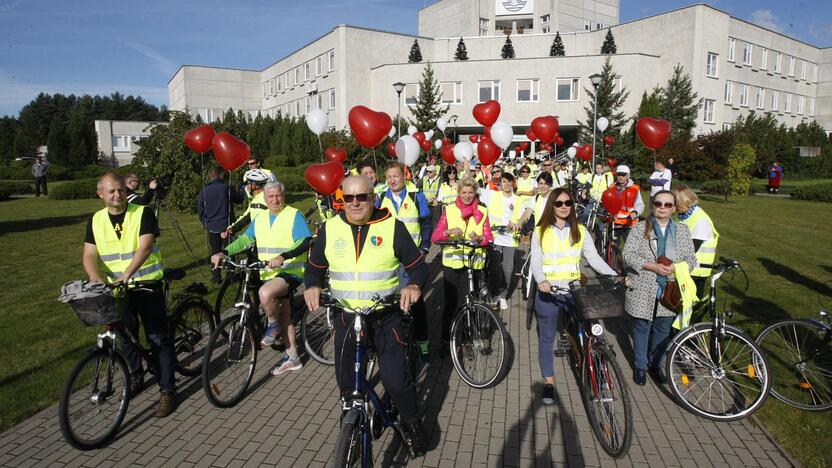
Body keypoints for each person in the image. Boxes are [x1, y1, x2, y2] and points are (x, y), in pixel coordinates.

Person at [303, 175, 429, 456]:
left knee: (396, 382)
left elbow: (419, 267)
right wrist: (312, 284)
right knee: (346, 384)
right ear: (341, 200)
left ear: (374, 197)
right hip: (347, 319)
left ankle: (413, 424)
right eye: (349, 198)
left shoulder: (392, 227)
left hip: (385, 319)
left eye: (362, 197)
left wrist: (414, 285)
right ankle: (351, 428)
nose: (356, 203)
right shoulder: (330, 228)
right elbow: (313, 267)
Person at [82, 173, 175, 417]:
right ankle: (136, 377)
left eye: (121, 190)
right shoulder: (96, 220)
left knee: (157, 339)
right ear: (100, 193)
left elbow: (145, 247)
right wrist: (95, 277)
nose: (117, 195)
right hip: (119, 289)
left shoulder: (142, 213)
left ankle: (167, 390)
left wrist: (127, 274)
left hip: (146, 283)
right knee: (124, 335)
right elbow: (89, 254)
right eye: (111, 191)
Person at [212, 181, 312, 376]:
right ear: (265, 199)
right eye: (270, 197)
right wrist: (224, 252)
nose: (275, 200)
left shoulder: (294, 215)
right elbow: (246, 239)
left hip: (290, 271)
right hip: (269, 273)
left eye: (278, 196)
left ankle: (271, 328)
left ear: (283, 196)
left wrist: (284, 256)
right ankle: (293, 358)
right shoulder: (261, 218)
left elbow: (305, 241)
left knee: (265, 293)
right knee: (284, 315)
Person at [530, 188, 618, 404]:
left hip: (574, 290)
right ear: (552, 205)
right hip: (549, 292)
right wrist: (541, 279)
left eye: (567, 203)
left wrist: (614, 276)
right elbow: (536, 261)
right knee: (547, 337)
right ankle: (549, 382)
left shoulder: (580, 230)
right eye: (558, 203)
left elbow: (594, 258)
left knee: (594, 330)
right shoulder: (540, 231)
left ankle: (599, 368)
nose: (563, 207)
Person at [622, 190, 697, 386]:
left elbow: (691, 259)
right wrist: (651, 266)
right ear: (652, 205)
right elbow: (628, 255)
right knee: (642, 327)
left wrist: (675, 267)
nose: (662, 208)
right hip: (643, 286)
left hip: (670, 289)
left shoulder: (682, 230)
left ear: (674, 208)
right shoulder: (640, 228)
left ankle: (656, 364)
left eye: (667, 205)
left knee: (663, 328)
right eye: (658, 204)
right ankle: (640, 366)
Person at [378, 161, 433, 361]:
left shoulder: (416, 196)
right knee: (392, 305)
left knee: (416, 304)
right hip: (389, 260)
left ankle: (423, 345)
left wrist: (425, 247)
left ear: (404, 176)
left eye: (396, 176)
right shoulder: (380, 199)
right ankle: (395, 344)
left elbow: (426, 223)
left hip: (412, 260)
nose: (392, 180)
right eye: (389, 177)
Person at [432, 176, 493, 343]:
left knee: (469, 302)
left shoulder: (483, 211)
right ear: (459, 193)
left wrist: (480, 239)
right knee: (451, 303)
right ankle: (446, 339)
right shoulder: (449, 210)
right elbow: (435, 237)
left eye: (470, 192)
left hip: (473, 263)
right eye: (464, 192)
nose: (467, 196)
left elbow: (489, 237)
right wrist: (448, 231)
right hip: (453, 263)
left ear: (475, 193)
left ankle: (466, 339)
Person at [480, 172, 528, 310]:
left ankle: (503, 295)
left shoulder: (518, 200)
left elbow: (523, 217)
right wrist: (466, 169)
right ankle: (494, 294)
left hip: (510, 239)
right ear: (500, 183)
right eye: (504, 181)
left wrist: (519, 223)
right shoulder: (492, 195)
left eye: (509, 181)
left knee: (507, 269)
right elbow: (475, 187)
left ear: (513, 183)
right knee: (495, 268)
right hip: (494, 238)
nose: (506, 184)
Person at [198, 166, 244, 283]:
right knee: (229, 250)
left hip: (212, 227)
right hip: (227, 226)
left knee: (215, 251)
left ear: (210, 176)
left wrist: (205, 224)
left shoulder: (204, 191)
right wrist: (241, 190)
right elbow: (239, 199)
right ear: (220, 175)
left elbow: (201, 211)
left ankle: (216, 277)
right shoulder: (227, 188)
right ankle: (231, 275)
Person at [673, 186, 719, 295]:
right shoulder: (682, 216)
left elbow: (692, 248)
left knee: (693, 301)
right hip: (683, 266)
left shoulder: (701, 220)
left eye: (675, 204)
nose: (673, 207)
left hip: (697, 269)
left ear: (685, 203)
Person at [223, 168, 270, 239]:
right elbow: (247, 216)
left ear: (254, 185)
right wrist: (232, 228)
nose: (246, 186)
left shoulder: (263, 201)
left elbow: (259, 226)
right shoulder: (257, 199)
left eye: (247, 183)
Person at [611, 165, 644, 244]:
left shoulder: (634, 188)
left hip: (629, 223)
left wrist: (635, 212)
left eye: (623, 175)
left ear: (628, 176)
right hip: (614, 223)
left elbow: (640, 204)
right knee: (612, 249)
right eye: (619, 175)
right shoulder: (611, 187)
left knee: (630, 249)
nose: (621, 177)